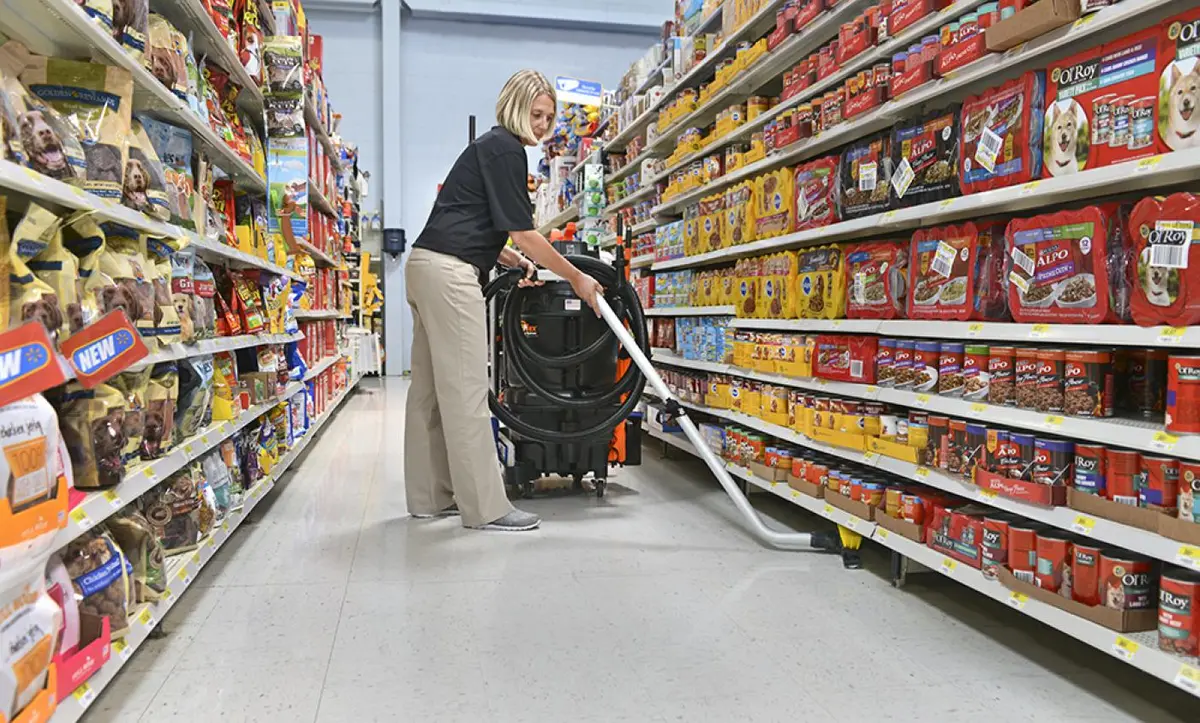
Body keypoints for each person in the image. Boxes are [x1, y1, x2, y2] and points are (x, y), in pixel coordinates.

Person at [404, 69, 604, 532]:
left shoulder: (487, 148)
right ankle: (487, 508)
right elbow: (526, 232)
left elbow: (474, 220)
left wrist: (508, 257)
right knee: (469, 392)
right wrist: (575, 277)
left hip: (424, 265)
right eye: (536, 113)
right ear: (513, 105)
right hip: (451, 276)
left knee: (429, 394)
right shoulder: (508, 150)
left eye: (549, 117)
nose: (542, 125)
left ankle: (429, 497)